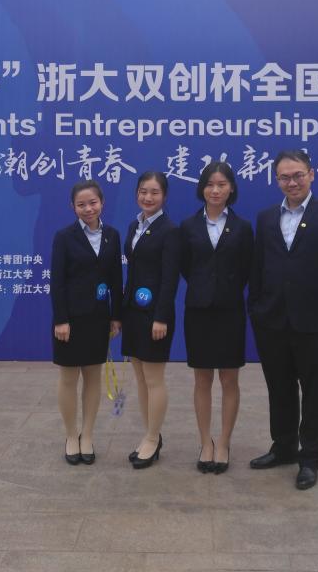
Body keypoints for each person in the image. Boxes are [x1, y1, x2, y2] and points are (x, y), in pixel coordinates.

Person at [247, 149, 318, 490]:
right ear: (276, 180)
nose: (291, 182)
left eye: (297, 175)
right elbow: (259, 267)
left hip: (315, 321)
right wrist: (256, 308)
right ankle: (283, 447)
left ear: (311, 174)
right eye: (284, 177)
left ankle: (310, 459)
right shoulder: (266, 217)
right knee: (279, 389)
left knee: (315, 392)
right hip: (272, 320)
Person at [179, 161, 253, 474]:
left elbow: (248, 269)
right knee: (202, 379)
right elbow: (186, 267)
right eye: (210, 184)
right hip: (198, 311)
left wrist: (224, 288)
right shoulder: (188, 226)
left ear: (231, 188)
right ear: (202, 188)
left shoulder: (243, 227)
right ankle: (205, 442)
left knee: (229, 379)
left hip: (230, 311)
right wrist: (204, 287)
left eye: (222, 184)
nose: (215, 190)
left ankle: (223, 442)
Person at [50, 179, 123, 465]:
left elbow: (116, 278)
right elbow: (57, 282)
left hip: (98, 318)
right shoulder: (64, 237)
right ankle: (71, 435)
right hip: (69, 321)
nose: (88, 208)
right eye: (81, 204)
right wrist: (61, 320)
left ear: (101, 202)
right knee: (69, 378)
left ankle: (88, 435)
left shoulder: (112, 236)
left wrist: (116, 315)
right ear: (73, 207)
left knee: (93, 377)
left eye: (92, 202)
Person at [122, 171, 179, 469]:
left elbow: (170, 280)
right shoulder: (135, 225)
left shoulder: (170, 231)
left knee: (154, 379)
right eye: (143, 191)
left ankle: (153, 438)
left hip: (155, 316)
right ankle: (149, 434)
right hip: (133, 313)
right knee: (141, 378)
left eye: (154, 192)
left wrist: (161, 317)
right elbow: (132, 272)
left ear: (164, 196)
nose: (148, 197)